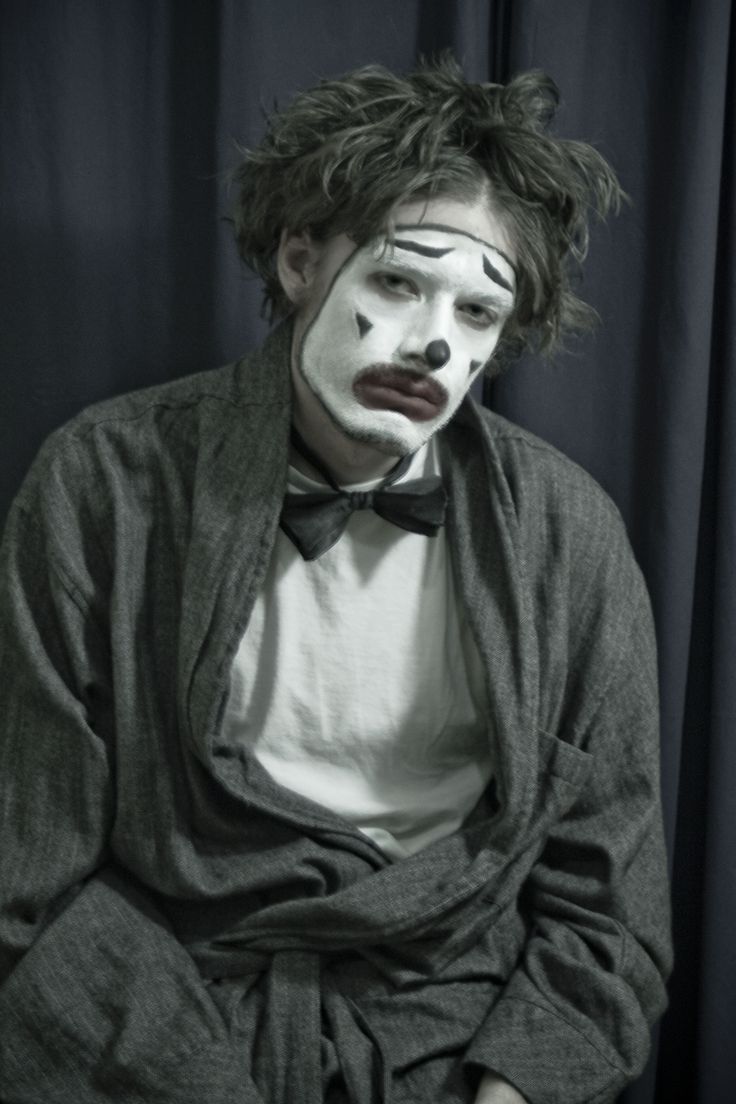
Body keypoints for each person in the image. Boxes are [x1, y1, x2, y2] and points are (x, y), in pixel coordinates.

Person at [0, 56, 672, 1104]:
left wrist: (509, 1090)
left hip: (450, 1025)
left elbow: (608, 908)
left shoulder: (571, 538)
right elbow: (27, 875)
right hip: (158, 1020)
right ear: (302, 260)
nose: (433, 344)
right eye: (399, 281)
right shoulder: (104, 482)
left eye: (477, 316)